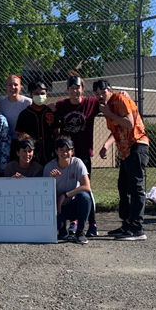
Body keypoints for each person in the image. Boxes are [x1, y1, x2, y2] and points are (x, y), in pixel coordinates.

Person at [96, 80, 150, 241]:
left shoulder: (119, 99)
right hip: (126, 151)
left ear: (110, 90)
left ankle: (137, 228)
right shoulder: (107, 106)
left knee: (136, 187)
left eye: (103, 92)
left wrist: (108, 112)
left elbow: (128, 122)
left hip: (137, 145)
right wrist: (106, 144)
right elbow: (118, 129)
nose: (100, 95)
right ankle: (127, 224)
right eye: (97, 93)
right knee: (123, 186)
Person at [54, 74, 100, 236]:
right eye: (72, 88)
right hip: (66, 156)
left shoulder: (91, 103)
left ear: (82, 89)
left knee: (85, 190)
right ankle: (72, 222)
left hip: (83, 154)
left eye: (77, 88)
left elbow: (107, 102)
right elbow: (49, 111)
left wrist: (121, 94)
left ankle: (92, 224)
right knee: (66, 188)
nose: (75, 91)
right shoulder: (62, 105)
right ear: (67, 90)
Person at [42, 137, 93, 244]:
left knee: (84, 197)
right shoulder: (49, 167)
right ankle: (62, 227)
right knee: (57, 234)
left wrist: (65, 195)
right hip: (56, 208)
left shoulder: (77, 163)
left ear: (72, 151)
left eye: (67, 150)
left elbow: (87, 186)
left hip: (72, 204)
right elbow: (43, 193)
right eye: (61, 150)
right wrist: (50, 180)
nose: (64, 153)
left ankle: (80, 232)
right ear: (56, 151)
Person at [15, 80, 59, 167]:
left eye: (42, 93)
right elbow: (19, 137)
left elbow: (56, 133)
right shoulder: (24, 114)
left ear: (46, 94)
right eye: (36, 93)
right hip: (31, 155)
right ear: (31, 95)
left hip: (49, 153)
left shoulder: (50, 112)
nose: (40, 96)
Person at [0, 74, 32, 147]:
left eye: (16, 85)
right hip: (7, 141)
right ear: (6, 87)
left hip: (24, 141)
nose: (13, 87)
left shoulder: (28, 102)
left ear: (20, 87)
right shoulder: (2, 102)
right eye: (10, 85)